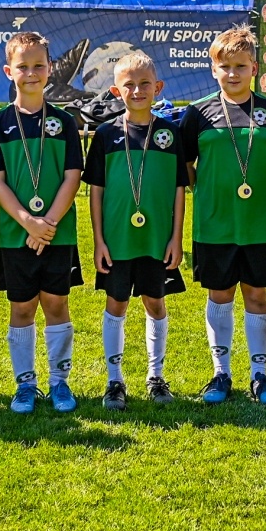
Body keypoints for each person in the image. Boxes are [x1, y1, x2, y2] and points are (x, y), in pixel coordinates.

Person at [180, 26, 266, 406]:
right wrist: (208, 193)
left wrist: (256, 189)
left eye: (241, 66)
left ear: (254, 68)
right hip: (215, 223)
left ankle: (259, 373)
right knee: (220, 294)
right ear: (214, 69)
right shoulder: (198, 113)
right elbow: (187, 166)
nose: (233, 73)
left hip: (260, 222)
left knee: (258, 295)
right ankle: (221, 373)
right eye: (225, 66)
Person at [0, 31, 85, 414]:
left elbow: (72, 177)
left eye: (38, 65)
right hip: (17, 234)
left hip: (58, 233)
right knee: (23, 307)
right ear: (8, 71)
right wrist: (29, 222)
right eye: (23, 66)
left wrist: (49, 223)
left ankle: (60, 382)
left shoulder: (65, 121)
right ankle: (25, 385)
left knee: (57, 303)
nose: (31, 73)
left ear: (50, 68)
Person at [84, 50, 187, 409]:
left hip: (157, 239)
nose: (138, 91)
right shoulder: (105, 134)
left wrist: (176, 237)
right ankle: (114, 381)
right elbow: (95, 192)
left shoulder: (170, 134)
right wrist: (99, 241)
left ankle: (156, 376)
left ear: (158, 87)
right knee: (116, 303)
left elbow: (179, 189)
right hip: (117, 240)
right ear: (116, 91)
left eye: (145, 84)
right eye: (129, 85)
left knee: (155, 302)